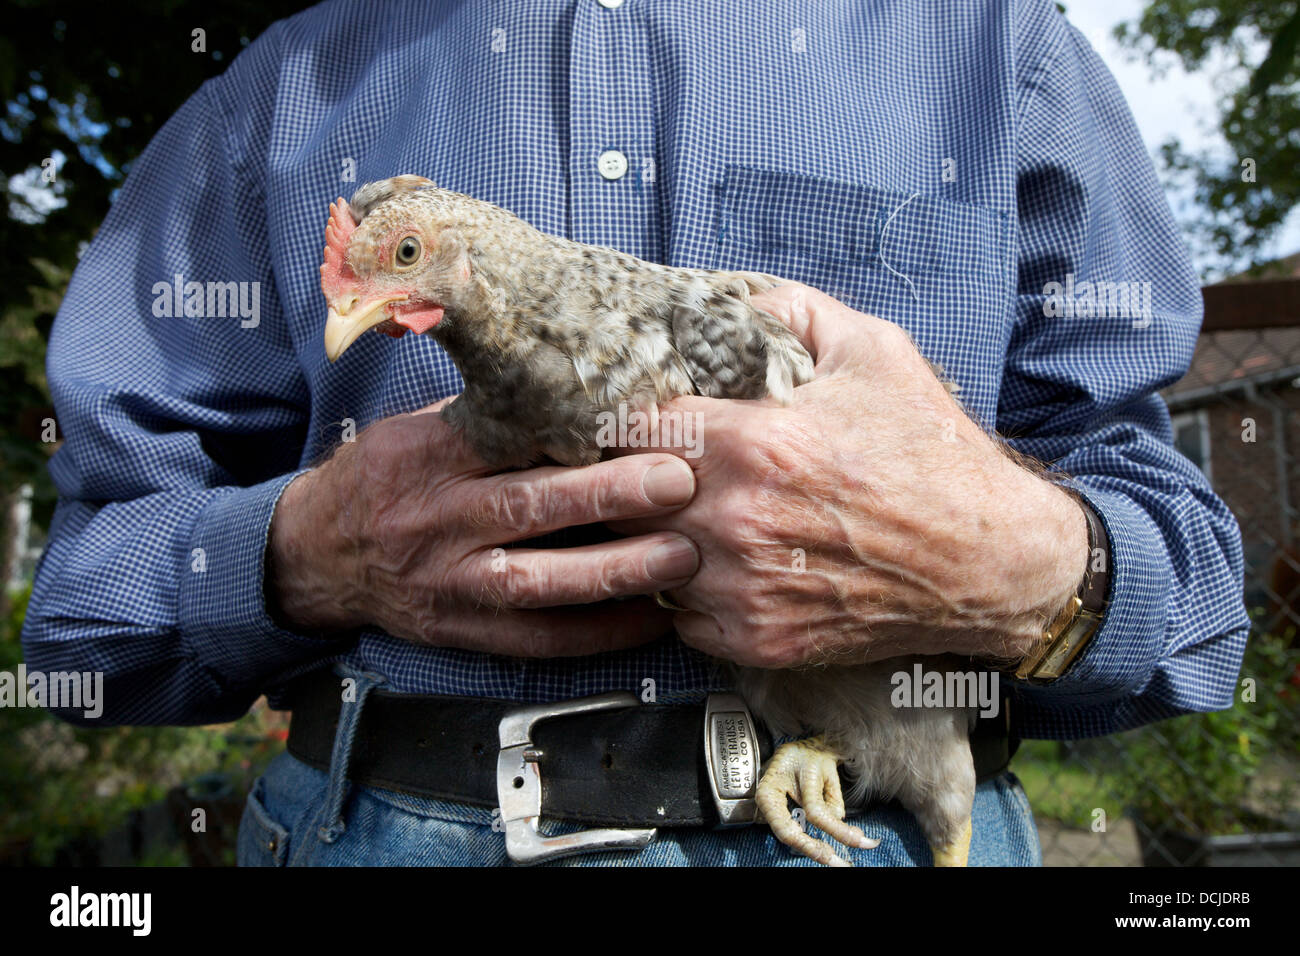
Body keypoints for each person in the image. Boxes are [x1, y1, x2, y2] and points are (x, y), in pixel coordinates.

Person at [24, 0, 1249, 866]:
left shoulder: (997, 51)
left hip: (882, 817)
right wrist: (304, 550)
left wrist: (1006, 550)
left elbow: (1192, 596)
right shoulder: (279, 94)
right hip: (403, 831)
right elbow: (80, 615)